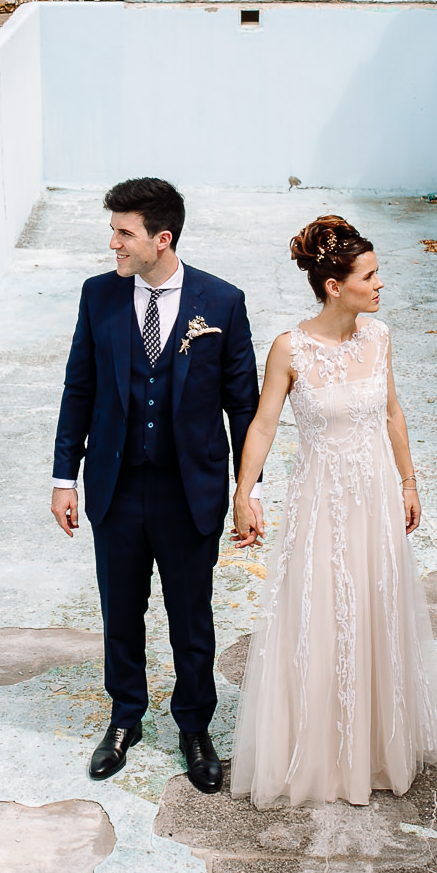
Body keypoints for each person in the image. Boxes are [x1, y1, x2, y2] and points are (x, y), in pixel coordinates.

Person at [50, 178, 260, 793]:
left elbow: (243, 406)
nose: (112, 243)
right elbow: (79, 390)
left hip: (189, 491)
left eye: (123, 233)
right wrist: (65, 477)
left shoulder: (220, 303)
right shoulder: (100, 298)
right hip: (115, 486)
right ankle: (124, 719)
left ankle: (195, 727)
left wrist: (248, 490)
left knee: (189, 615)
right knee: (121, 610)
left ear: (161, 239)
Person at [229, 215, 437, 808]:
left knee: (376, 612)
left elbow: (394, 412)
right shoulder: (290, 349)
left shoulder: (380, 338)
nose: (380, 285)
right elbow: (264, 423)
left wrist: (409, 481)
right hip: (320, 505)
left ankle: (374, 749)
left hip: (375, 499)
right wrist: (244, 493)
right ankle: (319, 752)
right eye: (370, 275)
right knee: (321, 619)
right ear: (334, 285)